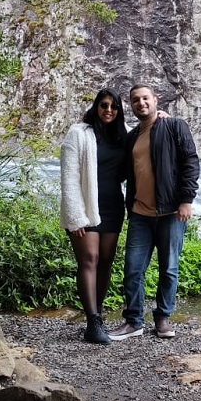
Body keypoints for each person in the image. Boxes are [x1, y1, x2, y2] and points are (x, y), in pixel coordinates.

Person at [108, 83, 200, 340]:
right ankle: (134, 321)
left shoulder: (173, 126)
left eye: (145, 98)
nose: (141, 103)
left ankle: (162, 319)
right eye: (135, 100)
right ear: (132, 105)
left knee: (168, 268)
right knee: (133, 269)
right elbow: (125, 171)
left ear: (155, 100)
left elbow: (190, 162)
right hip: (140, 213)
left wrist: (186, 200)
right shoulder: (132, 136)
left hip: (171, 212)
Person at [59, 88, 128, 345]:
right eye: (103, 105)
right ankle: (93, 322)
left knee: (106, 262)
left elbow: (147, 135)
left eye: (113, 106)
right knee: (90, 258)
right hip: (86, 208)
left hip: (112, 207)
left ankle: (96, 314)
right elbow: (69, 177)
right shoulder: (79, 133)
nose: (108, 110)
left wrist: (162, 116)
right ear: (96, 106)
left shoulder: (124, 135)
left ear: (119, 110)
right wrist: (75, 216)